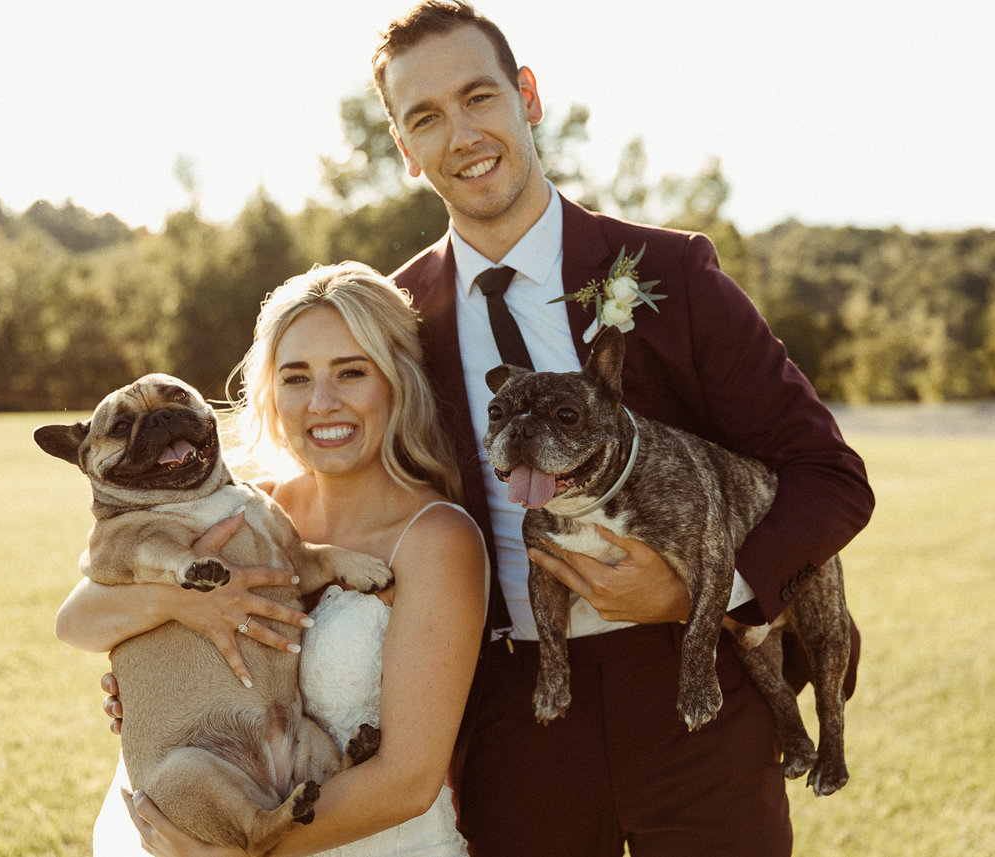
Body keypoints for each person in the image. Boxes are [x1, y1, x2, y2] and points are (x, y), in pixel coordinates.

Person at [367, 3, 876, 856]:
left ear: (528, 97)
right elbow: (338, 497)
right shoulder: (393, 319)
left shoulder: (669, 271)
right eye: (426, 117)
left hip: (697, 678)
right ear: (404, 150)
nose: (461, 135)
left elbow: (829, 475)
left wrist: (698, 593)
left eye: (479, 97)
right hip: (514, 705)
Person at [55, 262, 489, 856]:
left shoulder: (436, 540)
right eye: (296, 378)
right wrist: (180, 609)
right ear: (269, 392)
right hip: (214, 794)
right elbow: (76, 620)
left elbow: (408, 782)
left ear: (398, 380)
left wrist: (242, 852)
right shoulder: (252, 506)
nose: (323, 403)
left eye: (351, 372)